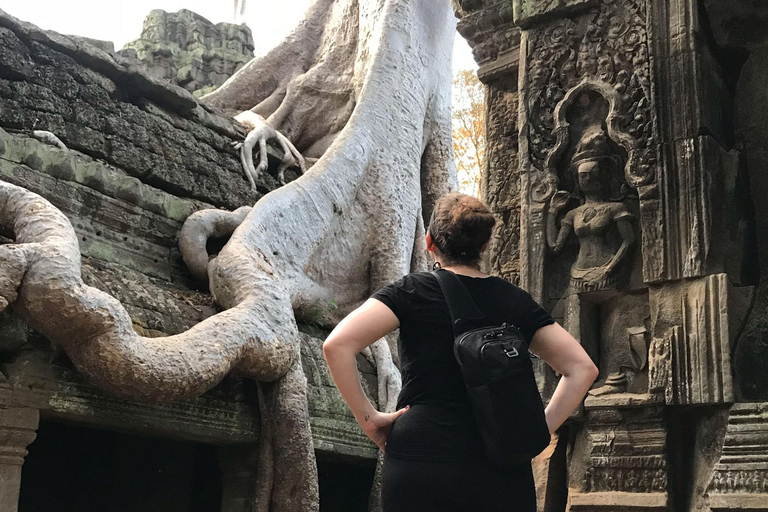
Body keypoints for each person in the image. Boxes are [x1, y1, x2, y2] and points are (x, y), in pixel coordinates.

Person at [323, 192, 598, 512]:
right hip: (500, 463)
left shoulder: (411, 291)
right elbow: (582, 368)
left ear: (429, 242)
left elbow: (337, 345)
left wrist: (370, 419)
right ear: (484, 246)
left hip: (421, 459)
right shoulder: (513, 300)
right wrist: (539, 428)